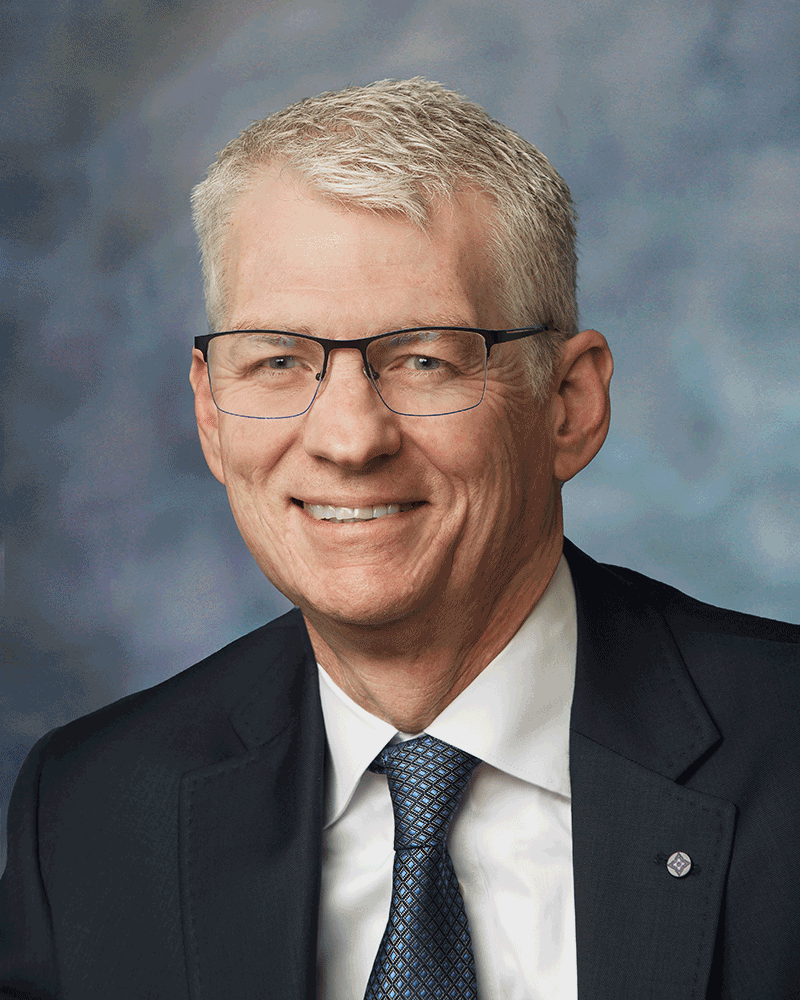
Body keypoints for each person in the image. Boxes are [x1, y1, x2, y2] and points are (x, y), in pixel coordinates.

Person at [1, 78, 798, 1000]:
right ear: (212, 412)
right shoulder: (93, 815)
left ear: (570, 406)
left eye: (424, 359)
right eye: (277, 360)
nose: (348, 441)